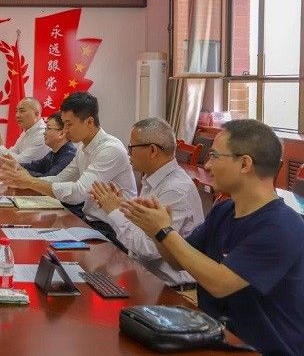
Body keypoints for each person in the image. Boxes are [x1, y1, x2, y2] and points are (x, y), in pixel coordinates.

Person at [121, 119, 304, 354]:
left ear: (245, 164)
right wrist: (156, 230)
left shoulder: (281, 226)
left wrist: (164, 231)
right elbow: (177, 260)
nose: (207, 165)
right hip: (216, 337)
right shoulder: (224, 211)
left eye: (214, 156)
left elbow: (220, 283)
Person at [0, 92, 137, 251]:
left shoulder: (110, 150)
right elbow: (60, 179)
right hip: (90, 224)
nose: (65, 130)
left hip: (114, 232)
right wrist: (23, 180)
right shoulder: (83, 148)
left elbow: (77, 193)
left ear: (89, 122)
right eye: (63, 124)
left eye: (69, 124)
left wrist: (29, 181)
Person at [89, 117, 204, 288]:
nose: (128, 152)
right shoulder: (153, 179)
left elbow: (149, 249)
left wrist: (114, 211)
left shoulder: (175, 190)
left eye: (131, 147)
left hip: (172, 290)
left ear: (152, 150)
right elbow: (142, 229)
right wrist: (121, 205)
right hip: (146, 278)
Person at [0, 97, 49, 164]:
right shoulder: (27, 131)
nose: (17, 115)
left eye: (22, 111)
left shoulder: (43, 134)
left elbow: (22, 162)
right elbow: (13, 152)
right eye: (16, 111)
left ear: (37, 114)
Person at [20, 112, 76, 177]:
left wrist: (22, 172)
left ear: (61, 134)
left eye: (48, 128)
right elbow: (34, 166)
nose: (44, 133)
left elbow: (49, 179)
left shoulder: (69, 155)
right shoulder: (53, 153)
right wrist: (15, 165)